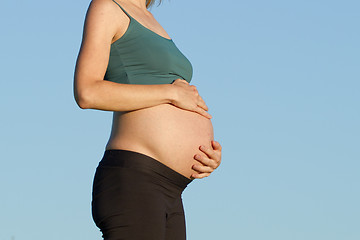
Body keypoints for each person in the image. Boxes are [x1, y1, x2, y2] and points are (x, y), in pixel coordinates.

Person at [73, 0, 222, 239]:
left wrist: (205, 154)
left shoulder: (151, 20)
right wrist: (171, 93)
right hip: (135, 178)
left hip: (173, 189)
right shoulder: (107, 6)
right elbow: (87, 92)